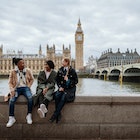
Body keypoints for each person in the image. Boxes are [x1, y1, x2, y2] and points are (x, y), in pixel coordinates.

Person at [6, 58, 34, 127]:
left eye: (24, 63)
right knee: (12, 100)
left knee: (30, 98)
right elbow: (9, 82)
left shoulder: (28, 70)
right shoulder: (13, 71)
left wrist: (28, 86)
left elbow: (32, 79)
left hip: (25, 88)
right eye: (22, 63)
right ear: (17, 64)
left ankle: (29, 114)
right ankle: (11, 117)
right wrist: (12, 89)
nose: (24, 64)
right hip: (16, 89)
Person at [49, 57, 78, 123]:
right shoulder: (60, 70)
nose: (61, 63)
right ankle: (58, 115)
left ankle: (54, 115)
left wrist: (68, 80)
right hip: (62, 88)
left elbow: (76, 81)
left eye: (63, 61)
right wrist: (59, 87)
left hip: (70, 90)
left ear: (67, 62)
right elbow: (57, 80)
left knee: (63, 97)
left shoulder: (72, 71)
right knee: (56, 96)